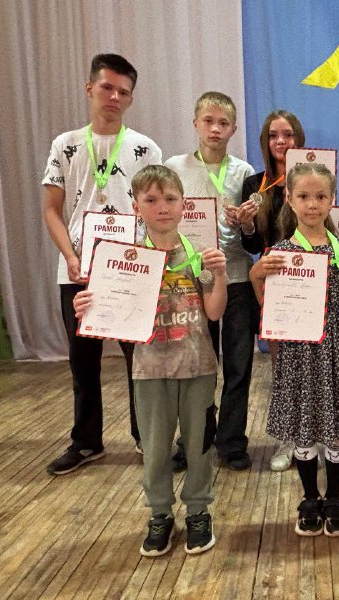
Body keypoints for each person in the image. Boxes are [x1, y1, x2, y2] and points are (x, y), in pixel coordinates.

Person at [73, 165, 227, 556]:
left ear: (184, 205)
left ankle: (198, 511)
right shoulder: (122, 261)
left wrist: (221, 276)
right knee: (156, 449)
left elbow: (213, 312)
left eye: (170, 199)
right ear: (136, 207)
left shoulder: (199, 257)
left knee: (200, 446)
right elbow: (112, 322)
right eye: (151, 200)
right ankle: (159, 513)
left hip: (198, 367)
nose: (162, 207)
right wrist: (89, 307)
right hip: (150, 370)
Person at [43, 53, 161, 475]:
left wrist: (147, 261)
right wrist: (71, 257)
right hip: (78, 271)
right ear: (90, 88)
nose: (114, 97)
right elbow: (51, 210)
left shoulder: (146, 148)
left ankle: (145, 437)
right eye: (107, 87)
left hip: (130, 269)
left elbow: (156, 211)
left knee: (138, 360)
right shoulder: (66, 144)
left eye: (123, 92)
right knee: (83, 360)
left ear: (131, 99)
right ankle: (87, 441)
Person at [249, 163, 339, 537]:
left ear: (332, 199)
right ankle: (310, 497)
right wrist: (256, 276)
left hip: (337, 347)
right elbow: (268, 306)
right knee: (304, 428)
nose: (312, 204)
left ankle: (335, 498)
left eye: (321, 196)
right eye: (304, 196)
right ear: (289, 199)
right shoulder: (279, 252)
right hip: (297, 351)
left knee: (337, 428)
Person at [164, 91, 256, 471]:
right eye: (208, 121)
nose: (215, 129)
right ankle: (194, 440)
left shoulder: (245, 172)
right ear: (195, 124)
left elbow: (252, 236)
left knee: (238, 365)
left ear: (233, 129)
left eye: (223, 123)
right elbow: (162, 217)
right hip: (190, 280)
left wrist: (245, 222)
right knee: (196, 366)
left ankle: (231, 443)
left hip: (235, 276)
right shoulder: (175, 167)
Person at [238, 109, 306, 472]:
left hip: (309, 278)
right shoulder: (255, 183)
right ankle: (287, 437)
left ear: (299, 139)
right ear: (266, 141)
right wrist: (247, 225)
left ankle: (311, 434)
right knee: (282, 366)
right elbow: (250, 245)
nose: (282, 141)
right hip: (274, 278)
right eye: (274, 135)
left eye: (288, 134)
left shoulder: (312, 175)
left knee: (311, 363)